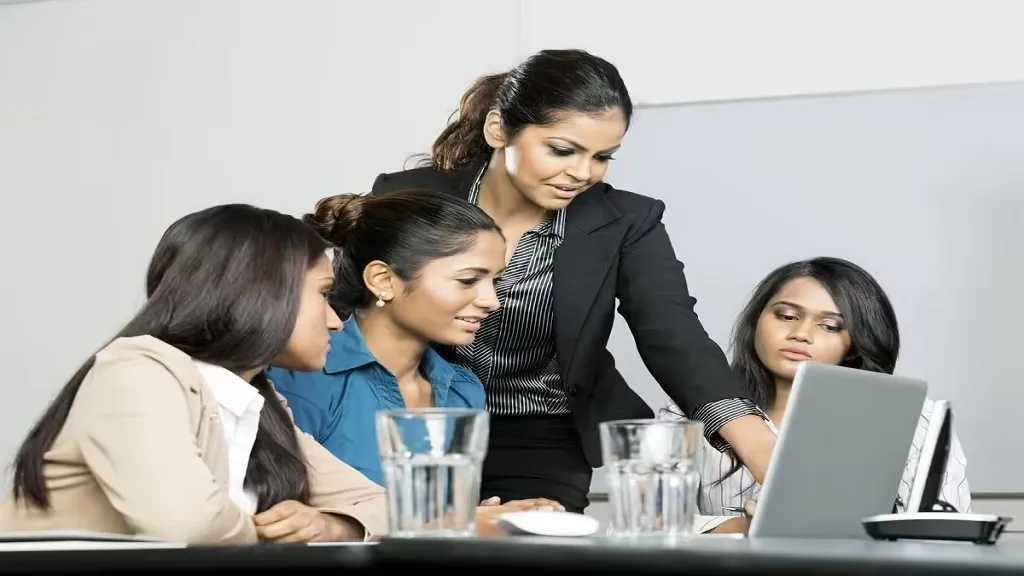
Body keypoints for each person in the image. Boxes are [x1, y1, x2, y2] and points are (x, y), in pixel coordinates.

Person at [367, 48, 776, 513]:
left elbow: (672, 333)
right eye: (562, 150)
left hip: (542, 433)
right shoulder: (407, 196)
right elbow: (348, 312)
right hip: (412, 420)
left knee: (533, 546)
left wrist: (757, 445)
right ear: (498, 129)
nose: (582, 173)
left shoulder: (627, 220)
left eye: (602, 156)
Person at [0, 204, 387, 544]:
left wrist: (334, 527)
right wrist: (279, 538)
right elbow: (189, 526)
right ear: (262, 294)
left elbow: (387, 507)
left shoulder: (257, 402)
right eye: (322, 294)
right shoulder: (137, 371)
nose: (336, 321)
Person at [267, 189, 564, 517]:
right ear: (383, 280)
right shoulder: (304, 378)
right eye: (468, 281)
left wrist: (494, 519)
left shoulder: (464, 390)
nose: (492, 301)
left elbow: (443, 522)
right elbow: (283, 517)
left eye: (495, 280)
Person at [677, 257, 971, 534]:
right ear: (757, 320)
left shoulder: (916, 419)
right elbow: (653, 522)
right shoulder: (687, 412)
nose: (801, 333)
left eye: (830, 326)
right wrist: (749, 528)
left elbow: (943, 529)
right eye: (787, 315)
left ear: (855, 344)